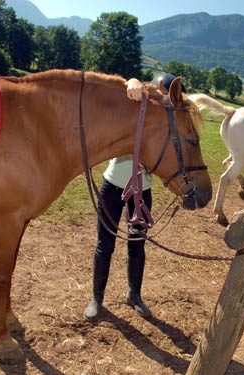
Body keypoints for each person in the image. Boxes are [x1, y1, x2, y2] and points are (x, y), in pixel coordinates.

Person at [84, 73, 182, 321]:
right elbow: (130, 86)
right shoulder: (137, 106)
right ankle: (97, 298)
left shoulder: (164, 122)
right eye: (160, 91)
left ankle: (134, 295)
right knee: (104, 245)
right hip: (113, 186)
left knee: (137, 245)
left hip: (141, 191)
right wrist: (133, 80)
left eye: (166, 94)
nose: (162, 98)